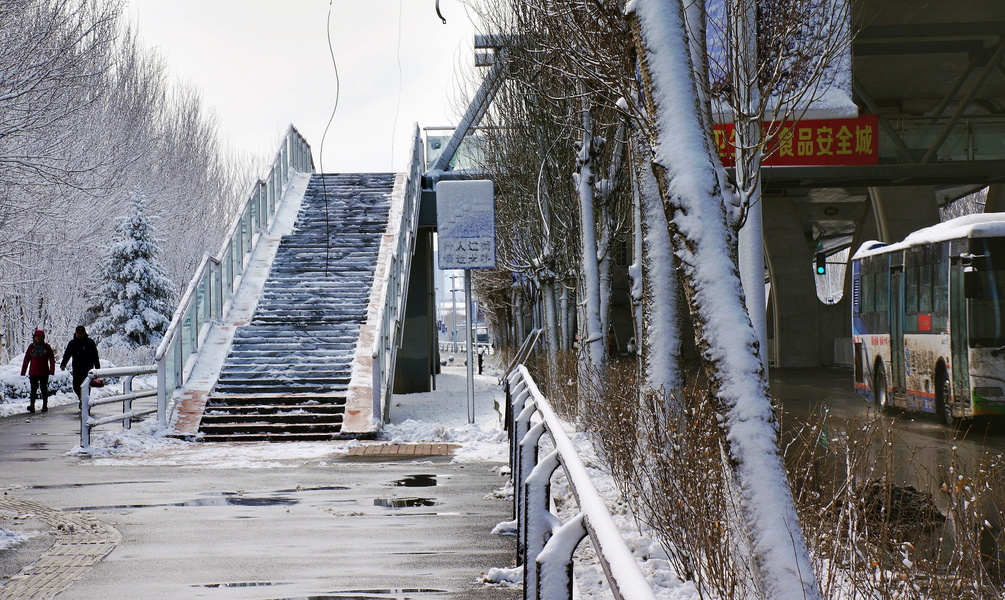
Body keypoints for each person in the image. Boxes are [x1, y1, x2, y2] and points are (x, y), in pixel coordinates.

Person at [60, 325, 101, 407]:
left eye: (81, 333)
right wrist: (63, 364)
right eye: (78, 333)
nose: (79, 334)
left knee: (86, 386)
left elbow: (95, 355)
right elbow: (67, 354)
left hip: (88, 369)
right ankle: (82, 399)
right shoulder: (72, 343)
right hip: (77, 369)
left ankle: (84, 403)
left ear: (84, 333)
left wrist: (97, 367)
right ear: (75, 333)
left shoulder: (90, 342)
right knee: (76, 386)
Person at [20, 329, 55, 413]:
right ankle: (32, 405)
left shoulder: (47, 347)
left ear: (42, 337)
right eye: (36, 337)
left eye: (39, 337)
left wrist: (52, 370)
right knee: (33, 389)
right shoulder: (31, 347)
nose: (38, 338)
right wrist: (23, 371)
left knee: (44, 389)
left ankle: (44, 405)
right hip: (33, 372)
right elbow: (26, 359)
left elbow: (51, 359)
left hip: (44, 372)